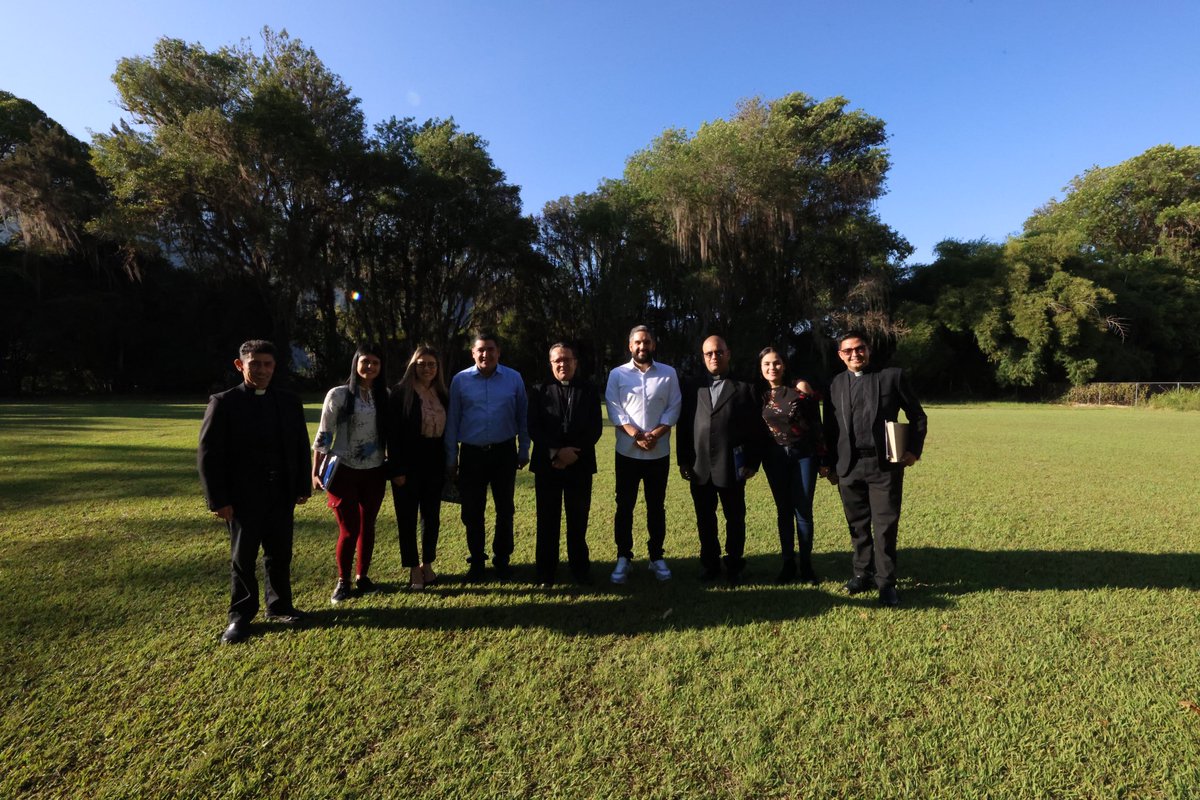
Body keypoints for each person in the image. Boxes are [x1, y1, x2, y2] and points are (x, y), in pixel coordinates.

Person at [198, 340, 311, 645]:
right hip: (242, 498)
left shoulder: (289, 402)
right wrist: (217, 500)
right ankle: (240, 616)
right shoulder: (223, 403)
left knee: (280, 553)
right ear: (240, 365)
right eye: (255, 364)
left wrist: (302, 486)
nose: (262, 370)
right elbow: (208, 455)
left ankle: (280, 606)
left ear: (275, 367)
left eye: (267, 364)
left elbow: (301, 446)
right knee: (243, 557)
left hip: (281, 493)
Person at [822, 330, 927, 607]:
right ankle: (862, 573)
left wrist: (913, 451)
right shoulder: (835, 384)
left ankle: (886, 582)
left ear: (868, 349)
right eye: (848, 351)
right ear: (840, 355)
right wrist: (830, 464)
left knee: (884, 526)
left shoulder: (891, 377)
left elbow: (917, 415)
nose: (855, 354)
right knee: (857, 525)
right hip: (849, 465)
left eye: (860, 348)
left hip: (885, 466)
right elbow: (830, 428)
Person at [677, 335, 762, 586]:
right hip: (700, 465)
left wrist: (752, 462)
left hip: (732, 466)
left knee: (735, 518)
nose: (714, 357)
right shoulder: (692, 387)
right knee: (705, 519)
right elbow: (684, 426)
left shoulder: (745, 387)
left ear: (728, 353)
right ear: (703, 357)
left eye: (719, 352)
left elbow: (755, 428)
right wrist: (683, 460)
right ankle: (710, 564)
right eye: (709, 353)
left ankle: (735, 565)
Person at [445, 332, 530, 581]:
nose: (486, 354)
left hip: (504, 452)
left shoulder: (514, 378)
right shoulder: (460, 380)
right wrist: (451, 457)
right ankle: (477, 561)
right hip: (471, 454)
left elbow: (523, 416)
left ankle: (502, 559)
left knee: (505, 509)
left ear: (498, 352)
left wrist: (524, 448)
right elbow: (452, 420)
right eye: (480, 349)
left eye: (490, 349)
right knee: (472, 511)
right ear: (472, 353)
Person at [604, 325, 682, 584]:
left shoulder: (668, 374)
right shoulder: (617, 374)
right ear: (630, 346)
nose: (642, 346)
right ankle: (623, 557)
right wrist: (636, 435)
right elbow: (614, 409)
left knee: (656, 507)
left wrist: (655, 435)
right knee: (624, 506)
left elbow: (674, 407)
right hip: (627, 453)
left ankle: (656, 557)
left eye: (646, 342)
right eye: (637, 342)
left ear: (653, 345)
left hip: (658, 454)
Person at [313, 345, 389, 604]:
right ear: (356, 363)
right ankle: (343, 581)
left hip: (375, 471)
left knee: (368, 525)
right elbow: (324, 434)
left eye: (375, 362)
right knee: (349, 529)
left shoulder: (385, 395)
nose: (370, 367)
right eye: (365, 361)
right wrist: (315, 471)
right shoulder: (339, 395)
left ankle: (362, 576)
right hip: (343, 470)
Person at [528, 342, 603, 587]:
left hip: (580, 464)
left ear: (575, 362)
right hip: (547, 465)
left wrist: (573, 453)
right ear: (551, 364)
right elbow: (534, 427)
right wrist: (557, 452)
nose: (562, 364)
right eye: (557, 360)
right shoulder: (538, 390)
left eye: (567, 359)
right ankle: (545, 572)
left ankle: (580, 570)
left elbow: (595, 427)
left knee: (578, 520)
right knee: (547, 520)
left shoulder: (589, 390)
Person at [758, 347, 826, 584]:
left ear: (784, 365)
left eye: (776, 363)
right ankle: (788, 564)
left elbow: (816, 424)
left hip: (803, 456)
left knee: (803, 510)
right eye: (767, 364)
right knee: (784, 511)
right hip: (774, 459)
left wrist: (823, 459)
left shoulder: (799, 388)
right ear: (761, 368)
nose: (772, 368)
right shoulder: (760, 395)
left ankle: (806, 566)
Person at [386, 346, 448, 590]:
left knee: (431, 518)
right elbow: (392, 435)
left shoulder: (443, 394)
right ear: (413, 366)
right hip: (407, 464)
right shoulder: (400, 393)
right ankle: (413, 568)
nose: (427, 368)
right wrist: (396, 469)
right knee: (407, 518)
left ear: (438, 368)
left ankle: (427, 564)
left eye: (432, 364)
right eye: (421, 364)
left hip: (435, 463)